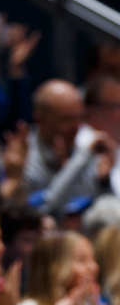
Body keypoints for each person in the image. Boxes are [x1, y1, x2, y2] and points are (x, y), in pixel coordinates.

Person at [25, 80, 114, 217]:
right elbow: (47, 209)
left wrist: (104, 181)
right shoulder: (25, 157)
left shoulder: (81, 144)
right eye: (66, 119)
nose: (76, 127)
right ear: (39, 119)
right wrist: (79, 161)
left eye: (79, 118)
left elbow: (97, 206)